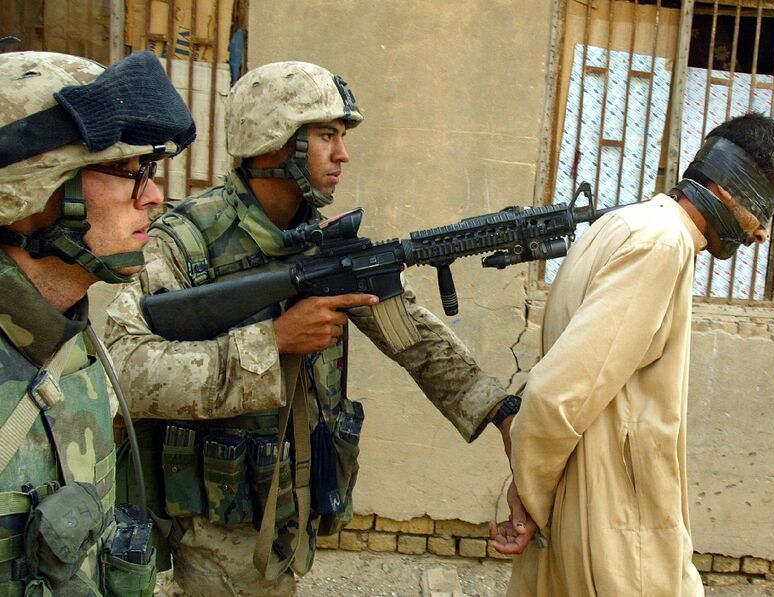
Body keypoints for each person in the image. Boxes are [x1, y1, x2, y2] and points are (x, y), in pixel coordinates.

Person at [102, 60, 519, 596]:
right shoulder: (184, 242)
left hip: (294, 498)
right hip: (217, 516)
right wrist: (271, 343)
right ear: (272, 140)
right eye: (326, 136)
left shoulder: (317, 238)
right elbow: (126, 372)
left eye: (341, 138)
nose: (342, 154)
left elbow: (410, 334)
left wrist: (498, 408)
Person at [490, 112, 774, 596]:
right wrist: (530, 491)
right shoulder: (662, 242)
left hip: (595, 506)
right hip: (614, 524)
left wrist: (531, 485)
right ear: (727, 188)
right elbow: (561, 392)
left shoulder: (623, 224)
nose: (762, 232)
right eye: (764, 209)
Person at [0, 51, 194, 596]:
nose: (152, 196)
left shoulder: (73, 341)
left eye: (149, 172)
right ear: (34, 185)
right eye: (125, 171)